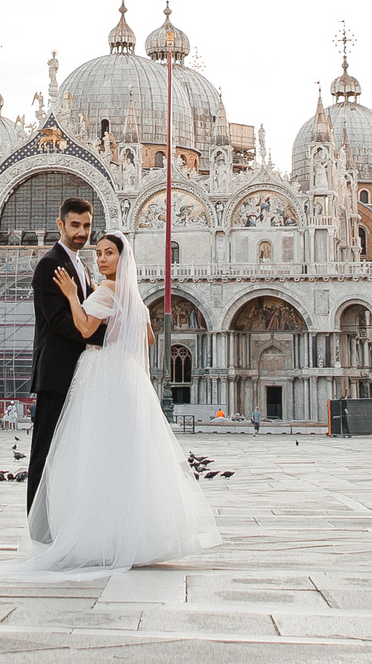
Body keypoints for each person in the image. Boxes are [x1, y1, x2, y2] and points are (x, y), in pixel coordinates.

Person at [18, 231, 222, 572]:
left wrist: (71, 295)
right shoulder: (132, 296)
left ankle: (96, 536)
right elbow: (150, 336)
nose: (101, 259)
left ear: (121, 259)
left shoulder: (107, 290)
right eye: (98, 254)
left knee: (94, 455)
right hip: (128, 378)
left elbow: (84, 329)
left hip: (101, 375)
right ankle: (134, 537)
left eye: (108, 254)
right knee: (127, 456)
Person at [26, 196, 105, 516]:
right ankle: (36, 522)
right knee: (44, 450)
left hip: (79, 371)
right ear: (60, 225)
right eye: (75, 225)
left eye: (86, 225)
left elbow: (85, 313)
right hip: (56, 372)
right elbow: (58, 322)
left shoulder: (81, 265)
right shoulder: (50, 264)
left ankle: (62, 517)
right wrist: (103, 335)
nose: (81, 231)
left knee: (69, 450)